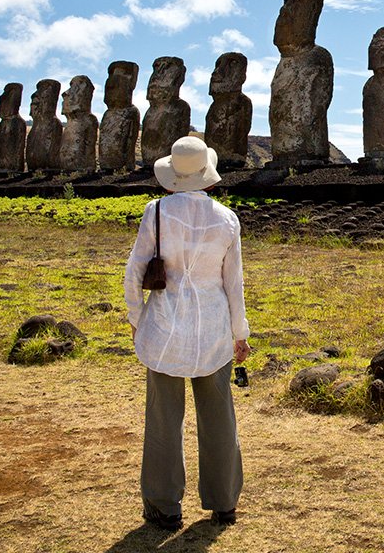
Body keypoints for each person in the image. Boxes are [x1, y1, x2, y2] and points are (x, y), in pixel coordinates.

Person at [124, 136, 251, 530]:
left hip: (164, 329)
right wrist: (240, 332)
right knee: (219, 418)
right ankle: (224, 502)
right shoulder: (227, 219)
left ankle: (163, 505)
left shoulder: (156, 213)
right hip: (213, 329)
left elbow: (134, 272)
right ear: (207, 174)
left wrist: (136, 318)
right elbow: (234, 283)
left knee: (163, 420)